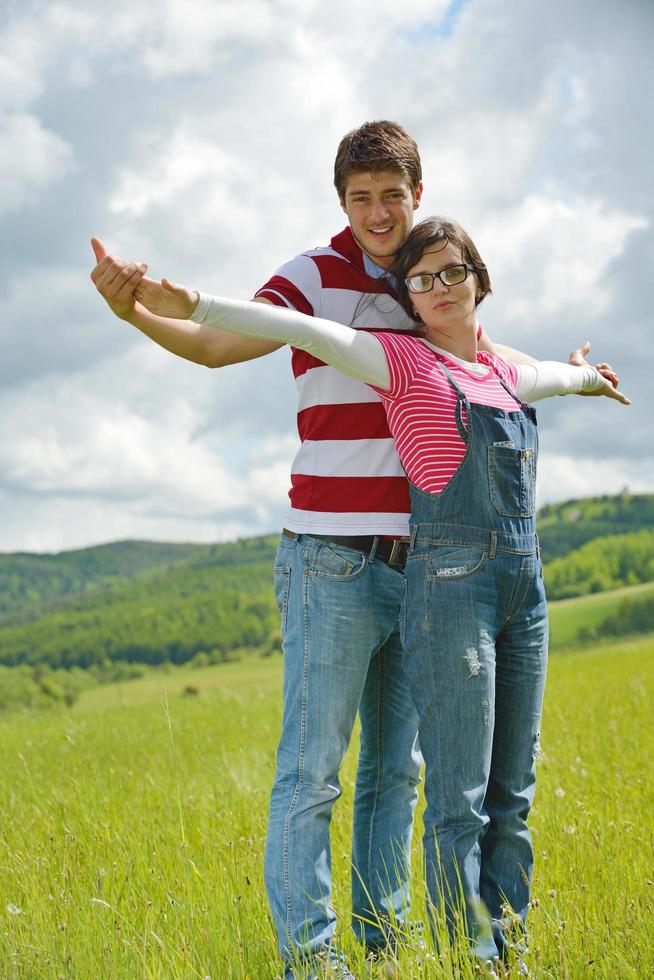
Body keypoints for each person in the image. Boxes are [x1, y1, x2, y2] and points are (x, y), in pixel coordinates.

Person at [90, 120, 614, 979]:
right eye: (361, 197)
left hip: (430, 572)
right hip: (331, 558)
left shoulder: (429, 277)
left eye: (393, 195)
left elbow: (488, 359)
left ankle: (383, 941)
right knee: (313, 772)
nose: (378, 211)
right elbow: (222, 342)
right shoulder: (313, 276)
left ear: (418, 194)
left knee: (397, 772)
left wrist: (581, 370)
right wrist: (138, 309)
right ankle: (314, 960)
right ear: (341, 201)